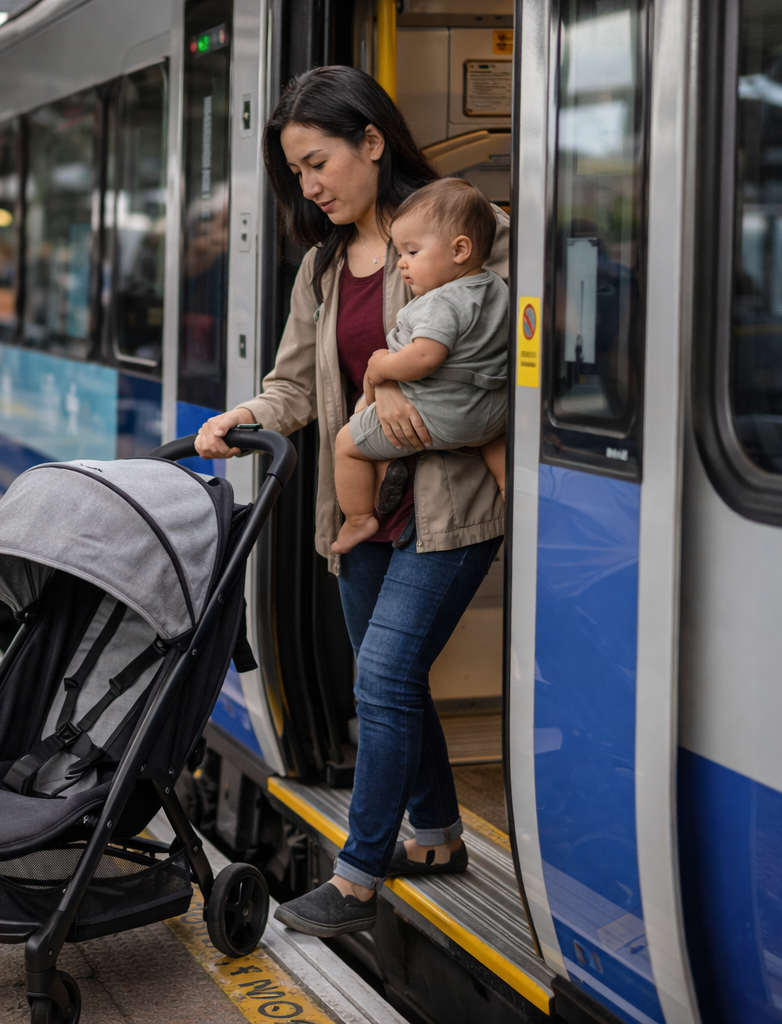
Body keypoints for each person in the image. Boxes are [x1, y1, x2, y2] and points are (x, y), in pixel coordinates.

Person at [194, 66, 505, 937]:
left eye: (318, 160)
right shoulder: (324, 269)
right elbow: (294, 386)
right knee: (391, 683)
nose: (310, 185)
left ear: (372, 141)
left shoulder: (468, 236)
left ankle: (361, 876)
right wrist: (245, 416)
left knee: (385, 677)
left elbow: (506, 372)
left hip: (449, 512)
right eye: (296, 172)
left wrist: (413, 408)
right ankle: (438, 837)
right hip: (360, 516)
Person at [332, 178, 508, 554]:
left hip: (441, 415)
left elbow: (426, 357)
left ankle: (359, 519)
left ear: (460, 249)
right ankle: (510, 486)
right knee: (493, 438)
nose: (402, 264)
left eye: (411, 252)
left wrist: (381, 367)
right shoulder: (495, 287)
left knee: (347, 443)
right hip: (491, 414)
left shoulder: (440, 301)